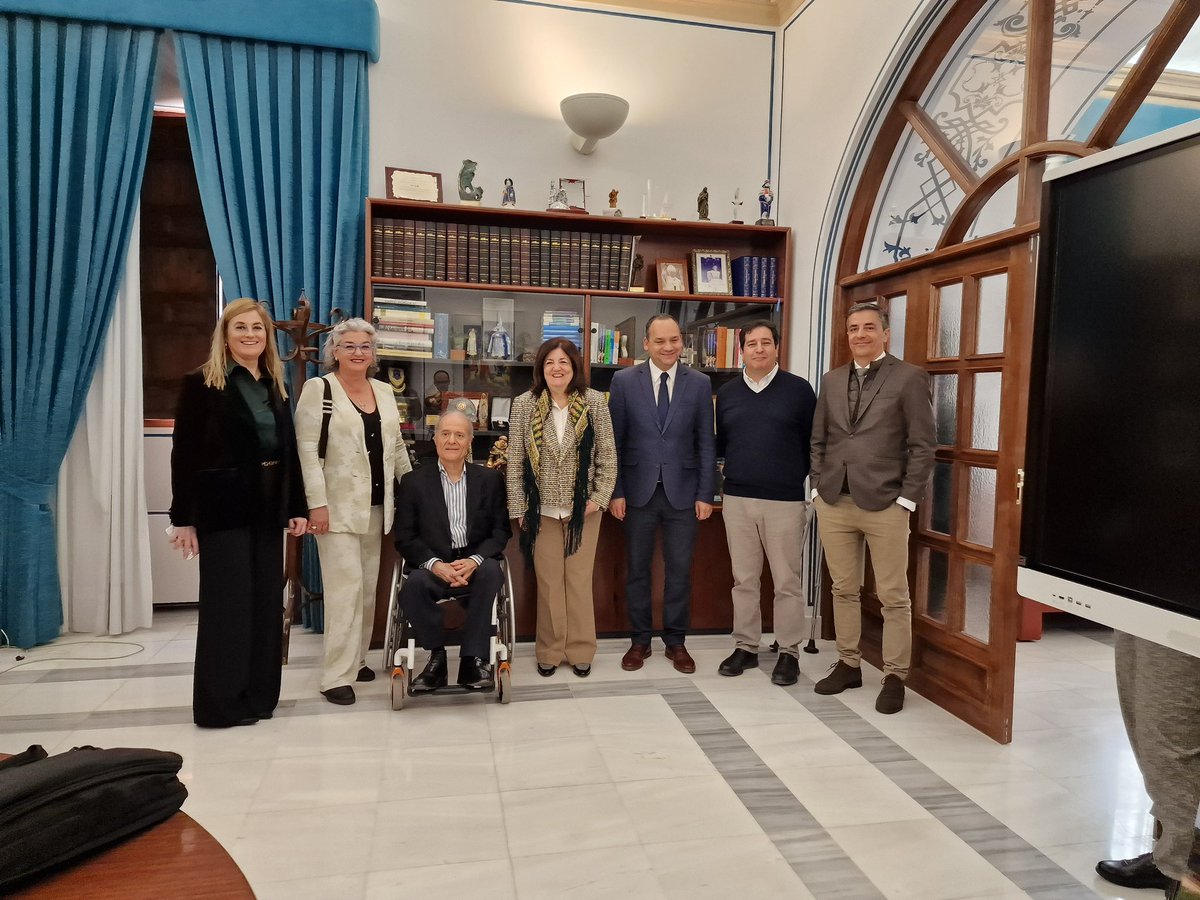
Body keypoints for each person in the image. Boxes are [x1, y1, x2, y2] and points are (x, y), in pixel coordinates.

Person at [168, 298, 308, 728]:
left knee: (266, 604)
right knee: (228, 607)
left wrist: (296, 506)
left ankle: (258, 697)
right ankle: (221, 704)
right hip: (222, 510)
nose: (250, 335)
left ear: (267, 337)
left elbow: (289, 451)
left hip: (267, 509)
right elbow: (184, 454)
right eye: (241, 328)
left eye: (258, 329)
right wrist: (182, 519)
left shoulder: (274, 383)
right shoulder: (201, 384)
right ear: (225, 336)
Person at [809, 301, 934, 713]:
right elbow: (819, 440)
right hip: (834, 500)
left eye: (868, 328)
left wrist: (906, 499)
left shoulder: (909, 377)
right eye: (853, 329)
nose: (859, 335)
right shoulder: (830, 381)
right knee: (842, 589)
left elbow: (923, 445)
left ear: (885, 334)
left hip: (886, 504)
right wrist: (816, 486)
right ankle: (849, 663)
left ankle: (895, 675)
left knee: (893, 595)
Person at [295, 319, 413, 706]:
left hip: (377, 508)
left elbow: (395, 448)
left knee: (365, 592)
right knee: (344, 592)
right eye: (349, 346)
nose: (358, 352)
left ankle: (357, 659)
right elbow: (307, 453)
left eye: (365, 346)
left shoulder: (382, 390)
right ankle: (335, 676)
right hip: (337, 509)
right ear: (334, 351)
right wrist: (317, 505)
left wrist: (413, 490)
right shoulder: (319, 389)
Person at [609, 314, 715, 673]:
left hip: (684, 494)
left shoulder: (699, 383)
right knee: (637, 570)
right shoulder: (623, 381)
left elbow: (705, 442)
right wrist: (616, 491)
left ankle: (676, 641)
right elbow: (615, 443)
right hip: (637, 493)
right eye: (660, 341)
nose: (668, 347)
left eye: (674, 340)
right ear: (646, 344)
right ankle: (640, 641)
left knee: (680, 571)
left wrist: (706, 493)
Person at [507, 338, 616, 678]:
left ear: (574, 368)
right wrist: (519, 506)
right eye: (550, 362)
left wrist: (599, 498)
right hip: (541, 510)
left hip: (584, 510)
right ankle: (550, 650)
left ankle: (581, 648)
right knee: (550, 582)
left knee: (579, 581)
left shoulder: (595, 402)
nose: (557, 368)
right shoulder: (525, 404)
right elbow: (515, 460)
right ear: (541, 368)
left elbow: (608, 456)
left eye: (564, 362)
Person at [715, 321, 816, 685]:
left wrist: (797, 480)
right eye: (752, 344)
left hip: (785, 502)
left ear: (777, 348)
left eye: (766, 343)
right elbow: (723, 444)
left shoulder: (799, 391)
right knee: (743, 579)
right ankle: (746, 646)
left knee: (787, 580)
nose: (759, 349)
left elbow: (813, 443)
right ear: (742, 349)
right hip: (738, 499)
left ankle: (788, 651)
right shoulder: (727, 394)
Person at [394, 410, 512, 691]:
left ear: (470, 441)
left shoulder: (490, 480)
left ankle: (472, 660)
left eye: (460, 435)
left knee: (490, 573)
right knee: (413, 586)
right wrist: (435, 564)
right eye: (445, 434)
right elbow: (405, 537)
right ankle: (436, 660)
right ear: (435, 440)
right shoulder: (413, 482)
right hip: (433, 565)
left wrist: (473, 560)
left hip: (475, 563)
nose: (452, 440)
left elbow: (500, 532)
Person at [1095, 633, 1200, 899]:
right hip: (1142, 601)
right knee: (1145, 722)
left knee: (1169, 727)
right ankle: (1173, 855)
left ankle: (1179, 864)